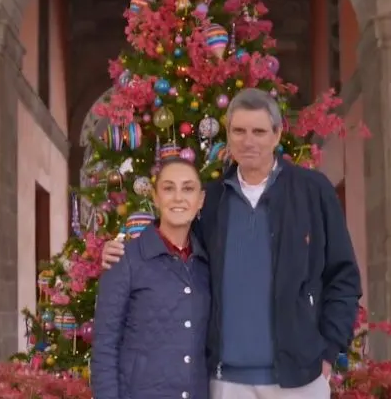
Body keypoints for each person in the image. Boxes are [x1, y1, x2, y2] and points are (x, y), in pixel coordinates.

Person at [101, 88, 362, 399]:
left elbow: (343, 276)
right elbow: (176, 251)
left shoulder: (312, 192)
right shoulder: (211, 200)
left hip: (299, 379)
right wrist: (122, 250)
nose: (248, 141)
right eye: (239, 131)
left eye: (259, 131)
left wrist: (329, 349)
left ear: (277, 135)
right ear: (228, 134)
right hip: (226, 382)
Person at [91, 157, 211, 399]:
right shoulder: (124, 259)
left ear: (201, 200)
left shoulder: (206, 263)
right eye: (168, 188)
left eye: (188, 188)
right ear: (155, 198)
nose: (178, 197)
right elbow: (104, 347)